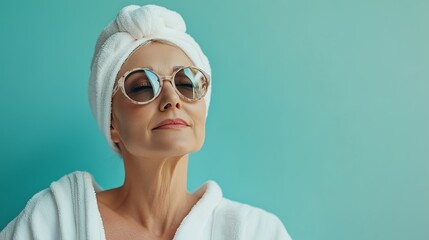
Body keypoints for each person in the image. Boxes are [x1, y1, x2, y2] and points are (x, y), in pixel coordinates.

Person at [0, 4, 292, 240]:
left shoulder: (256, 231)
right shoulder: (52, 221)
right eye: (142, 87)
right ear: (112, 121)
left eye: (187, 83)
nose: (172, 99)